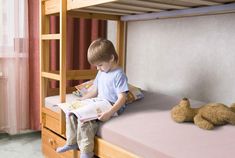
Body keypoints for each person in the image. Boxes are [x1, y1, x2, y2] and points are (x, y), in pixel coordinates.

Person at [56, 38, 129, 158]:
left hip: (111, 105)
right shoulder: (101, 72)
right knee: (73, 112)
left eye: (100, 65)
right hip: (99, 102)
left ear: (111, 58)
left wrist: (110, 112)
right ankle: (72, 142)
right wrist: (81, 100)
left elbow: (122, 98)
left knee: (85, 119)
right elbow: (95, 90)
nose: (98, 68)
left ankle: (86, 152)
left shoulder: (119, 74)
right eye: (96, 66)